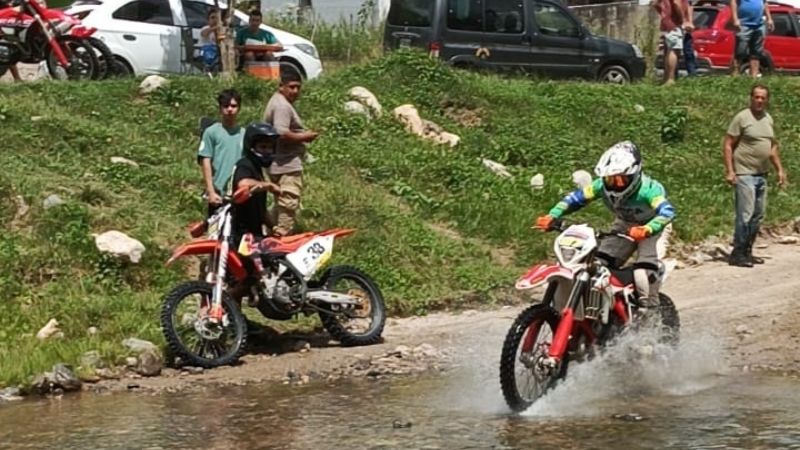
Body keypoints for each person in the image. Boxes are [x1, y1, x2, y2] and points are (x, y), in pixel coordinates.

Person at [535, 141, 676, 311]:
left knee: (642, 274)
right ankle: (603, 307)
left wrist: (647, 229)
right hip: (625, 224)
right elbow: (574, 199)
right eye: (610, 179)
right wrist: (552, 215)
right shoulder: (600, 186)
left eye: (620, 179)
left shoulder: (649, 190)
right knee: (597, 265)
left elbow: (667, 212)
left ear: (635, 174)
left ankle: (649, 312)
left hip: (654, 227)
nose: (614, 184)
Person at [723, 84, 786, 267]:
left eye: (763, 98)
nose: (759, 101)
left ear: (767, 100)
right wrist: (730, 171)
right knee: (745, 214)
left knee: (758, 215)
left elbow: (772, 147)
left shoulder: (768, 119)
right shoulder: (742, 118)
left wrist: (780, 170)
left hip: (762, 174)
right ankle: (738, 253)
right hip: (745, 173)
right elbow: (728, 144)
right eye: (756, 97)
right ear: (751, 98)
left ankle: (748, 251)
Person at [262, 71, 319, 237]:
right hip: (285, 164)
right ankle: (281, 240)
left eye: (298, 87)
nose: (295, 91)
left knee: (280, 204)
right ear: (281, 87)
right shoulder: (282, 106)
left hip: (279, 162)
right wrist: (305, 136)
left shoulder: (278, 102)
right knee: (288, 203)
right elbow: (281, 133)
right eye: (291, 87)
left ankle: (268, 234)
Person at [230, 122, 282, 242]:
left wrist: (273, 227)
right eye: (263, 147)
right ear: (251, 147)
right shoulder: (244, 165)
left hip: (255, 234)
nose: (267, 152)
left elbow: (261, 210)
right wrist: (269, 185)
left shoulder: (257, 170)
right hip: (241, 236)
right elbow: (243, 184)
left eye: (270, 148)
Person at [197, 89, 244, 216]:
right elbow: (205, 161)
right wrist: (210, 191)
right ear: (220, 108)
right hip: (218, 192)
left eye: (233, 106)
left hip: (239, 193)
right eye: (226, 106)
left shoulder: (244, 134)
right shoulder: (211, 132)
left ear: (239, 108)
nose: (230, 109)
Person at [730, 0, 774, 78]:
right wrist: (735, 19)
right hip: (744, 24)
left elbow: (764, 3)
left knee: (756, 53)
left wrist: (769, 19)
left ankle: (754, 78)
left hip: (759, 25)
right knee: (740, 52)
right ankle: (734, 76)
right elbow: (733, 2)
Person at [652, 0, 690, 85]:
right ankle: (670, 79)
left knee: (669, 51)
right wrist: (683, 20)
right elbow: (677, 3)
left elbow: (655, 4)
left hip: (667, 24)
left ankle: (666, 78)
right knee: (673, 50)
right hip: (674, 24)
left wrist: (663, 14)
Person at [199, 9, 221, 73]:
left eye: (217, 18)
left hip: (217, 51)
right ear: (208, 20)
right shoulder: (205, 28)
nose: (215, 20)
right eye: (212, 18)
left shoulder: (221, 30)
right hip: (204, 51)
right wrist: (214, 28)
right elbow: (204, 34)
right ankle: (208, 69)